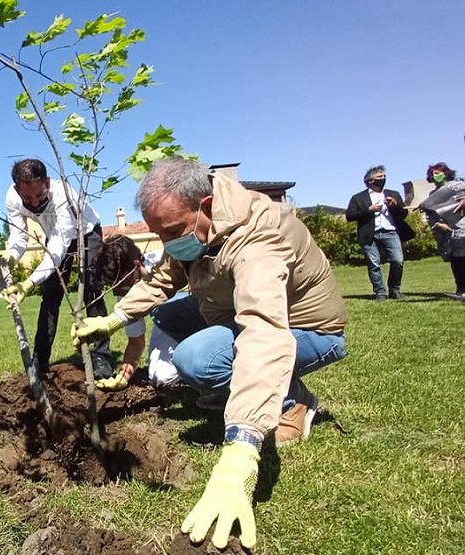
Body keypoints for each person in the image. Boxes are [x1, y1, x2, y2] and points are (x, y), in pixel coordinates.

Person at [71, 157, 347, 549]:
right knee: (168, 313)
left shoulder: (258, 238)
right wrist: (115, 318)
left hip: (306, 329)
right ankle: (243, 391)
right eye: (158, 234)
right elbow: (167, 276)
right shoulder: (195, 227)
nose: (167, 244)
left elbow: (265, 332)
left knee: (196, 360)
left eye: (170, 232)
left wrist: (242, 448)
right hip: (232, 309)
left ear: (204, 206)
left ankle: (292, 401)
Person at [1, 158, 114, 378]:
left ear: (48, 182)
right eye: (28, 198)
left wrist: (29, 282)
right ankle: (40, 360)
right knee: (51, 296)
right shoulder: (12, 197)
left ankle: (101, 356)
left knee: (91, 286)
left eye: (40, 195)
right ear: (17, 189)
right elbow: (18, 235)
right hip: (54, 237)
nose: (34, 203)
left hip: (86, 231)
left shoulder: (64, 195)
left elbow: (58, 247)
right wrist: (11, 257)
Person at [90, 235, 179, 390]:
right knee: (161, 376)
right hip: (167, 325)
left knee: (165, 311)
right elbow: (136, 342)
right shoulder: (124, 292)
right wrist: (122, 378)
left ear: (136, 265)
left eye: (124, 284)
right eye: (115, 288)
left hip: (202, 316)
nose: (121, 291)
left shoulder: (166, 262)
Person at [345, 165, 414, 301]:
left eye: (384, 176)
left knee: (397, 261)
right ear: (370, 180)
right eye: (379, 177)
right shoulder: (358, 198)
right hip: (369, 234)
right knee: (374, 264)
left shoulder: (393, 194)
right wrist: (368, 209)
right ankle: (380, 292)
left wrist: (395, 205)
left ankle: (394, 289)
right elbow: (349, 216)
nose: (383, 179)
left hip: (390, 231)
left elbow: (404, 214)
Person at [420, 163, 465, 299]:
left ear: (446, 173)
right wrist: (438, 225)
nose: (436, 176)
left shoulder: (460, 186)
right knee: (455, 260)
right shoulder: (433, 195)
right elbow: (430, 215)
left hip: (463, 227)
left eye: (438, 173)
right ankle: (461, 289)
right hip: (447, 232)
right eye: (433, 174)